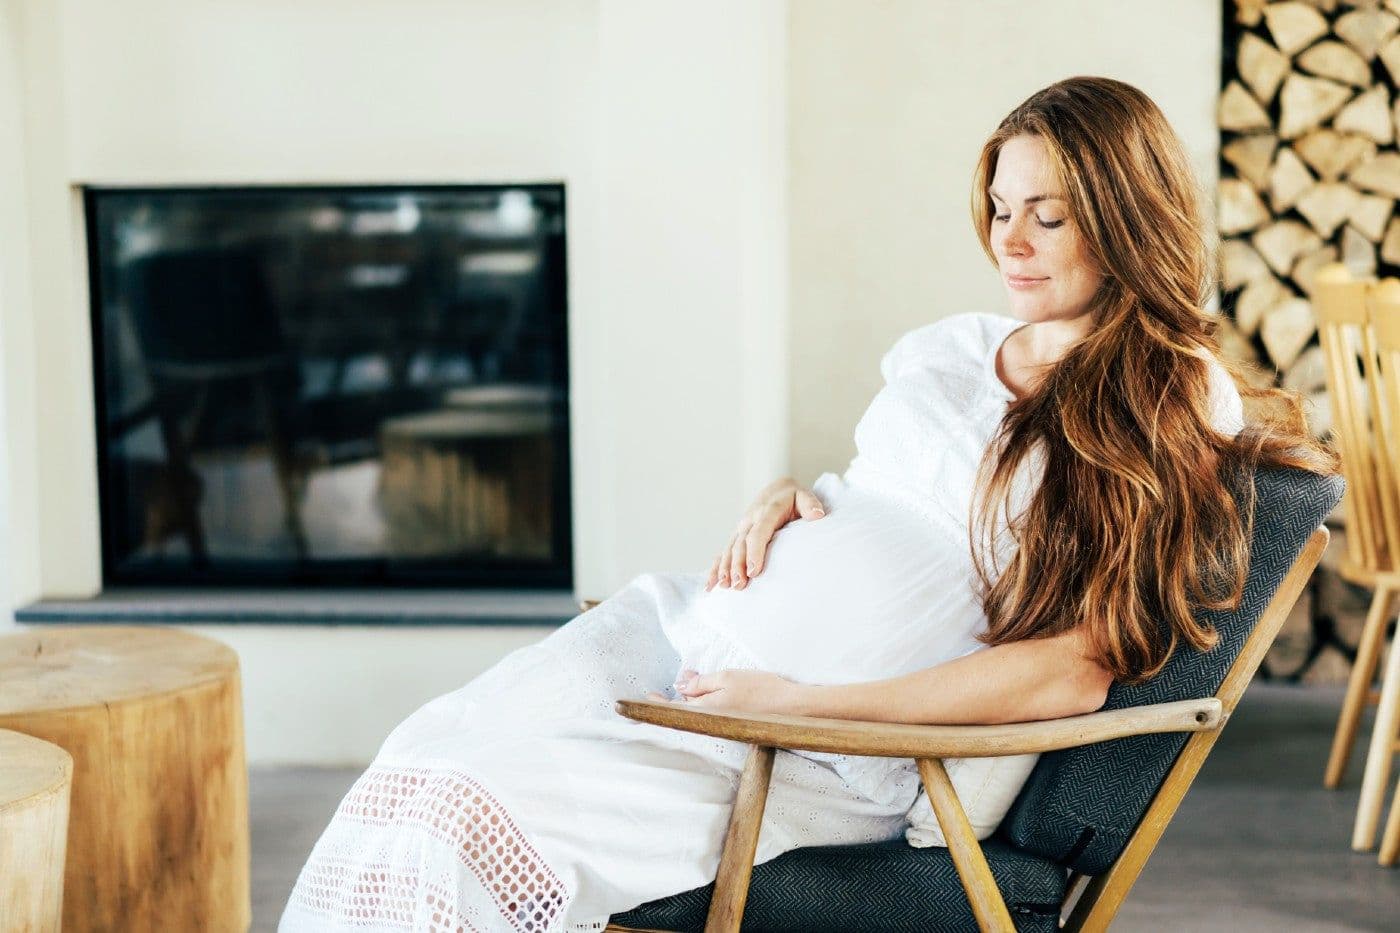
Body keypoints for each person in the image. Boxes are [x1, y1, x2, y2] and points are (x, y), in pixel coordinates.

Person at [280, 76, 1336, 932]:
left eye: (1047, 216)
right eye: (1000, 209)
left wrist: (797, 703)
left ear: (1123, 215)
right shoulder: (957, 347)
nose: (1008, 241)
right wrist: (793, 498)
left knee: (473, 816)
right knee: (424, 766)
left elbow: (1070, 669)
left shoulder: (1161, 399)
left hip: (807, 750)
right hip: (682, 638)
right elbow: (885, 495)